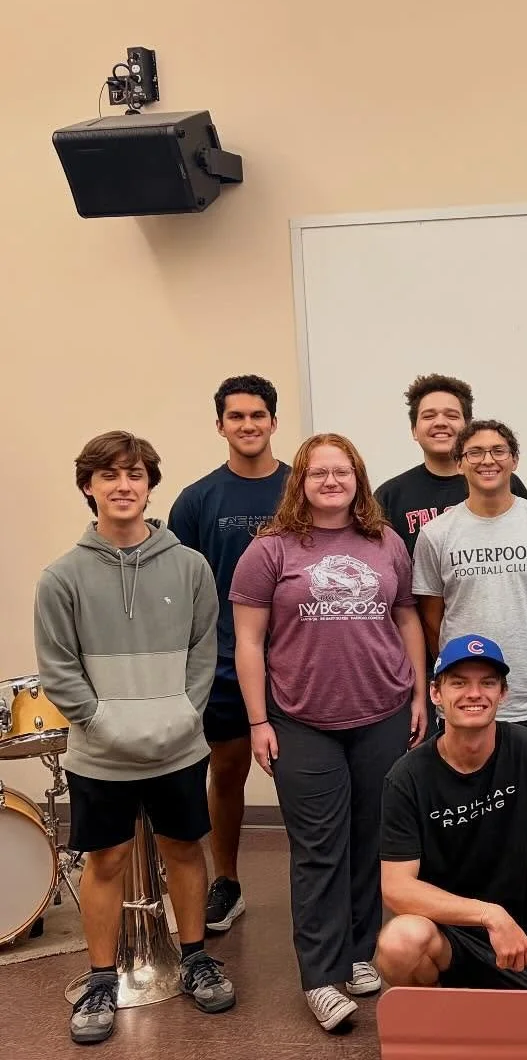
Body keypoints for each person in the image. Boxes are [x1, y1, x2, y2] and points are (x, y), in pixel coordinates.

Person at [35, 431, 235, 1045]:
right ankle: (101, 978)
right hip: (101, 752)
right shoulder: (61, 577)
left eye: (136, 474)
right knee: (107, 860)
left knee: (183, 850)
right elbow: (58, 669)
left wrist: (184, 714)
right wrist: (101, 723)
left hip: (177, 744)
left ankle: (197, 957)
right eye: (110, 476)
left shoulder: (190, 566)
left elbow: (205, 651)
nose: (124, 486)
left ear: (151, 485)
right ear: (89, 487)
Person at [231, 433, 430, 1030]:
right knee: (319, 850)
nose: (331, 481)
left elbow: (406, 616)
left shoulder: (385, 541)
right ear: (301, 481)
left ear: (358, 479)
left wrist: (420, 693)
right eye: (318, 472)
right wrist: (258, 719)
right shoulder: (269, 550)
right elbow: (248, 642)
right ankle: (321, 976)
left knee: (373, 840)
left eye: (341, 472)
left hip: (383, 714)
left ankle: (362, 951)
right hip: (301, 720)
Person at [374, 635, 527, 992]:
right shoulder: (406, 778)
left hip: (523, 944)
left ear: (503, 694)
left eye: (487, 682)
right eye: (459, 683)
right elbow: (396, 888)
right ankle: (440, 1016)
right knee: (398, 943)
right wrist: (488, 914)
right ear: (436, 694)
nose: (475, 693)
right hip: (449, 938)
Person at [168, 374, 289, 933]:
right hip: (221, 663)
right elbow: (180, 587)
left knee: (306, 776)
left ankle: (322, 885)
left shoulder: (301, 488)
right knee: (229, 771)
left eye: (257, 415)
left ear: (272, 421)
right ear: (220, 425)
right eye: (236, 416)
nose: (248, 425)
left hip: (296, 659)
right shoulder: (195, 500)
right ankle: (229, 881)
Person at [412, 420, 527, 741]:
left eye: (498, 451)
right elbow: (432, 618)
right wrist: (454, 668)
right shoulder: (436, 534)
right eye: (475, 453)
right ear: (459, 464)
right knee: (465, 790)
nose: (488, 460)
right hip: (463, 699)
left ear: (514, 460)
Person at [374, 373, 527, 558]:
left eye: (452, 415)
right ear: (414, 430)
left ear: (468, 427)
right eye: (429, 416)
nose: (440, 422)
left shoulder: (503, 482)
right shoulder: (390, 496)